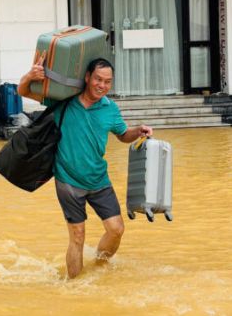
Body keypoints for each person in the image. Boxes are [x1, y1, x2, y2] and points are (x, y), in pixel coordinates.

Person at [18, 54, 152, 278]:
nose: (102, 85)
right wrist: (30, 75)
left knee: (116, 229)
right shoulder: (65, 101)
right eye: (98, 79)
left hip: (99, 179)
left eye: (107, 82)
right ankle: (75, 286)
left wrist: (139, 131)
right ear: (88, 77)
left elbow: (123, 135)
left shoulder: (110, 109)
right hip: (68, 180)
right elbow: (23, 91)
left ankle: (99, 267)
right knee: (78, 236)